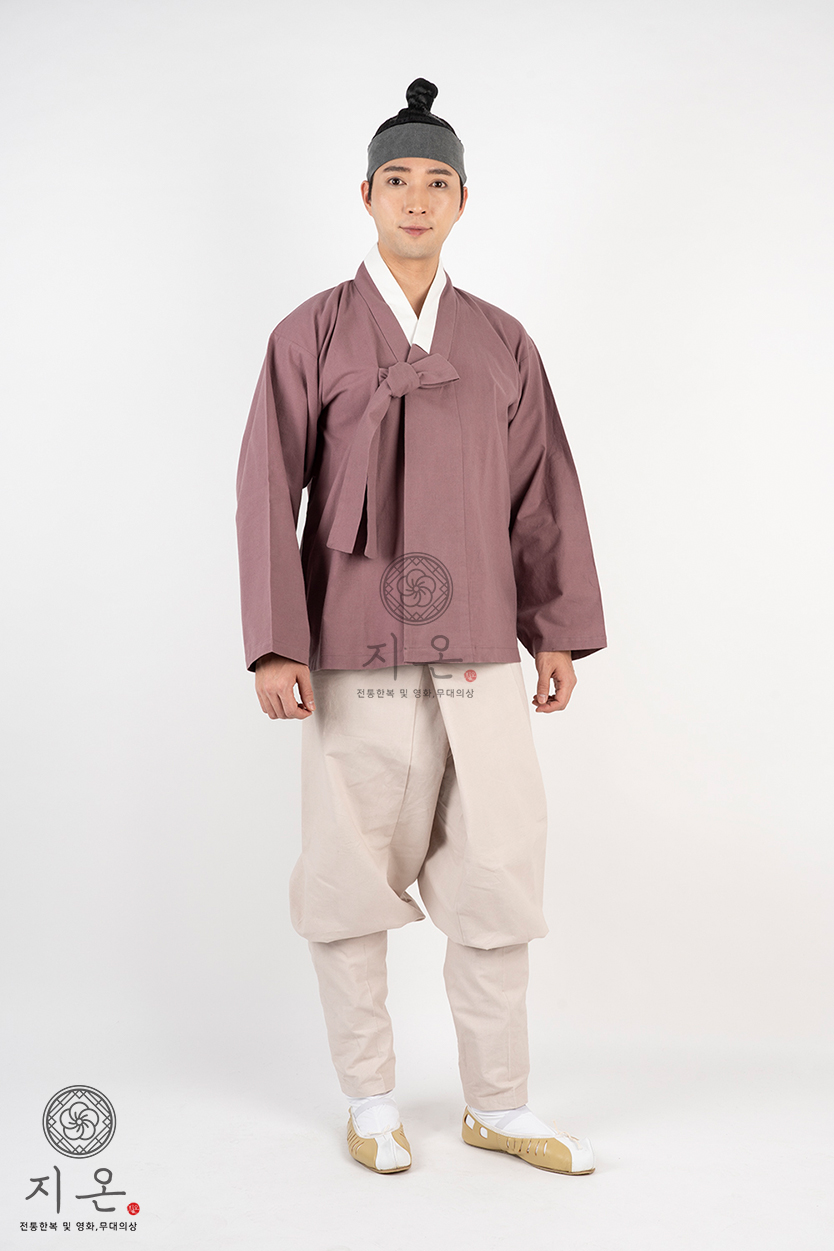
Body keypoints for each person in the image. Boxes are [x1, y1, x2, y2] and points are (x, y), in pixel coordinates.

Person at [235, 78, 607, 1176]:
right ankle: (369, 1098)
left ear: (461, 202)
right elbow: (267, 489)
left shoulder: (501, 341)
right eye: (395, 179)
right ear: (365, 195)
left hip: (483, 649)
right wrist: (277, 641)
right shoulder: (309, 333)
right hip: (353, 652)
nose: (414, 199)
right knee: (348, 871)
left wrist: (554, 630)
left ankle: (500, 1103)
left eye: (436, 182)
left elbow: (543, 493)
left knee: (498, 870)